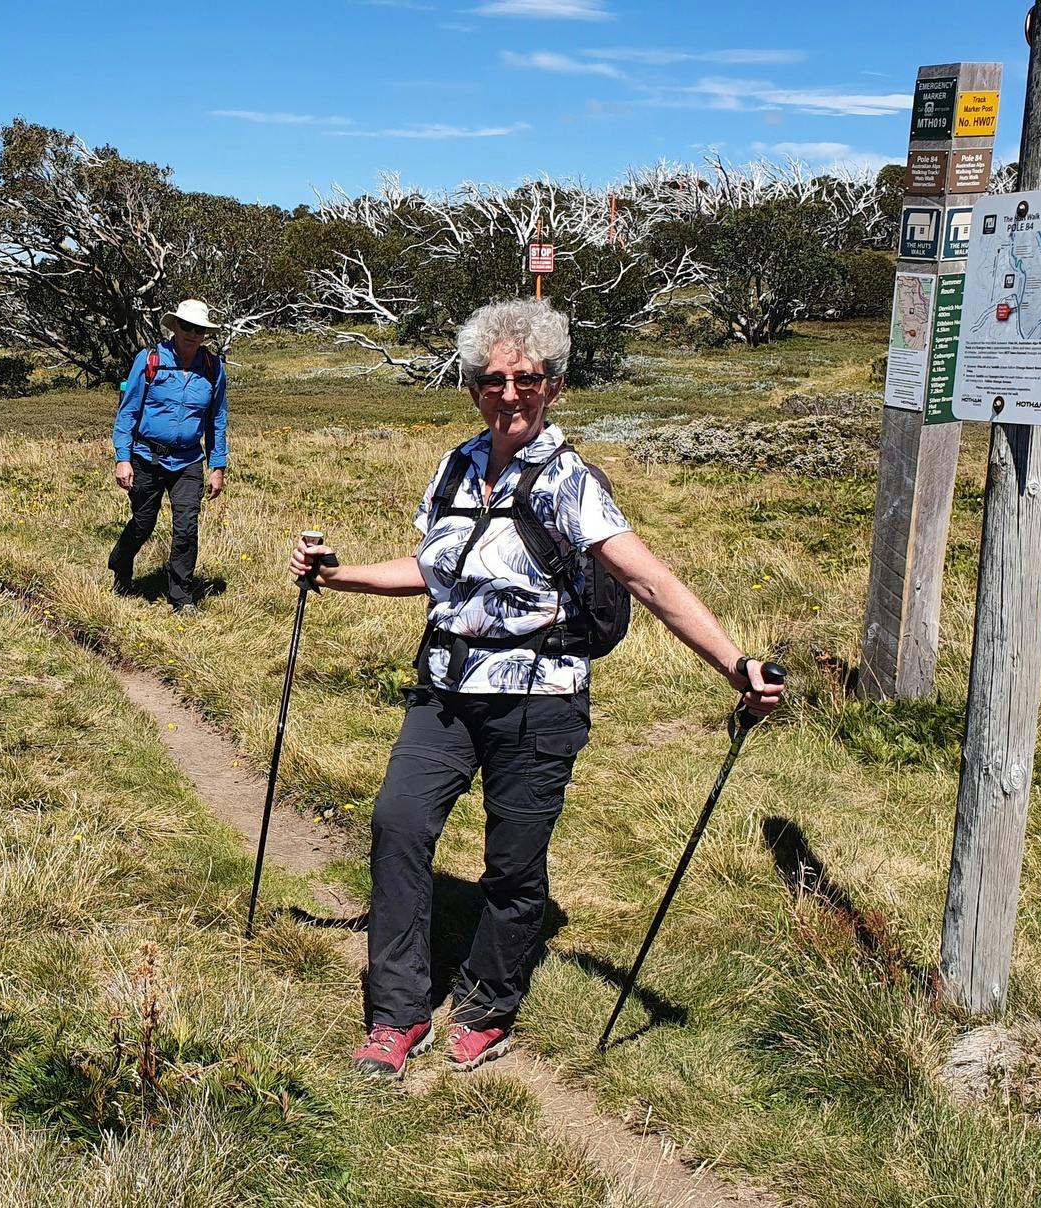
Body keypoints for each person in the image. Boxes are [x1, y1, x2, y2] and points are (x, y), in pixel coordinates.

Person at [288, 298, 784, 1080]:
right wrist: (338, 576)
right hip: (446, 688)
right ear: (471, 386)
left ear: (553, 385)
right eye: (492, 380)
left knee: (514, 864)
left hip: (538, 700)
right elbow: (433, 570)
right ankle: (398, 1010)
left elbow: (648, 581)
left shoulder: (568, 481)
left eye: (527, 379)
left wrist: (736, 665)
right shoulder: (456, 464)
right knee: (398, 825)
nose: (509, 393)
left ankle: (487, 1005)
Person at [108, 300, 228, 614]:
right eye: (186, 326)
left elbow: (217, 420)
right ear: (174, 327)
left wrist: (218, 466)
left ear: (205, 334)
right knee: (143, 523)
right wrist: (123, 458)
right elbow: (129, 411)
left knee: (186, 527)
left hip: (188, 460)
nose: (192, 333)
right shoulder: (149, 360)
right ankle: (121, 566)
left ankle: (181, 598)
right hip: (146, 456)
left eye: (199, 329)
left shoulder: (214, 369)